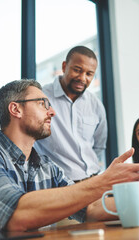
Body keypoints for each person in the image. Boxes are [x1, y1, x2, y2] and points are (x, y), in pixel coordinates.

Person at [0, 79, 139, 233]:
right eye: (43, 104)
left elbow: (89, 209)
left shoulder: (46, 166)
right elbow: (15, 216)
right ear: (16, 109)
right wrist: (102, 182)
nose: (52, 112)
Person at [34, 46, 107, 182]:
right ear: (64, 66)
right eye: (77, 70)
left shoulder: (96, 105)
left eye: (89, 74)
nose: (82, 78)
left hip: (93, 179)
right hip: (57, 183)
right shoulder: (42, 98)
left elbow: (99, 145)